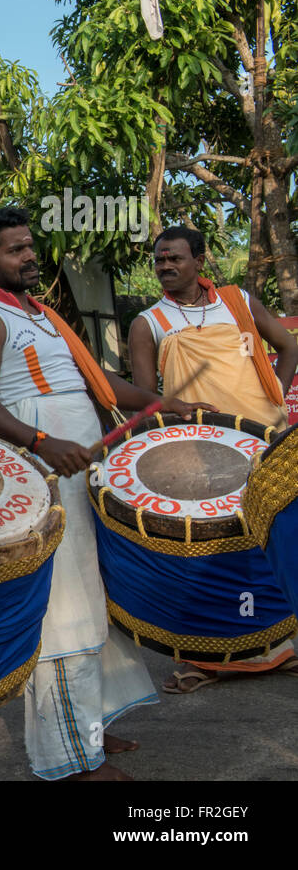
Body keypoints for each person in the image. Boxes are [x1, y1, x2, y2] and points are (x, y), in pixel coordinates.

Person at [0, 206, 206, 781]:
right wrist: (41, 441)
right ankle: (69, 757)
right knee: (63, 607)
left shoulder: (43, 317)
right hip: (43, 474)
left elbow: (91, 379)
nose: (29, 256)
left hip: (80, 468)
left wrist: (159, 404)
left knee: (93, 591)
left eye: (29, 246)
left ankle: (89, 722)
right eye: (16, 250)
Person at [128, 225, 298, 694]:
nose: (165, 267)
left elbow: (288, 346)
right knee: (204, 551)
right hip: (195, 452)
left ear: (199, 260)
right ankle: (203, 657)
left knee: (267, 542)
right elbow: (143, 400)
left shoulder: (237, 301)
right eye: (160, 260)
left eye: (175, 258)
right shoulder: (149, 322)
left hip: (264, 441)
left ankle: (278, 646)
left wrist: (274, 397)